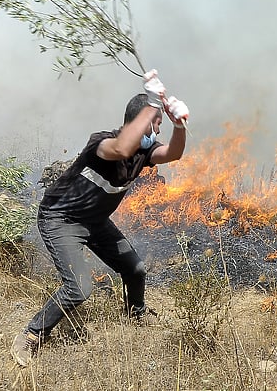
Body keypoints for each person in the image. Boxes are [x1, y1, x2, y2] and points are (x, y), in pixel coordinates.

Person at [11, 69, 189, 367]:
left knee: (136, 269)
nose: (156, 132)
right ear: (140, 120)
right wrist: (152, 104)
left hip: (94, 222)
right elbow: (121, 148)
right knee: (79, 288)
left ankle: (137, 315)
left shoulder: (144, 153)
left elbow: (173, 154)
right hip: (61, 219)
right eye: (155, 125)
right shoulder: (102, 142)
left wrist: (179, 125)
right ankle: (31, 335)